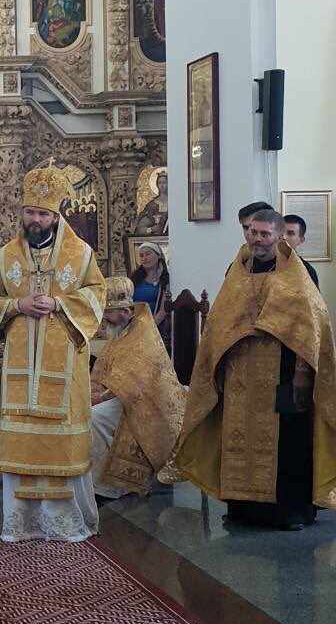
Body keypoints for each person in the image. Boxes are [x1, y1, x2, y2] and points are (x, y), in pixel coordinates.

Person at [175, 209, 336, 531]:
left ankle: (290, 512)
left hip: (286, 372)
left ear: (278, 235)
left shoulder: (298, 271)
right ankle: (242, 509)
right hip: (241, 373)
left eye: (264, 234)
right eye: (252, 232)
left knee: (289, 441)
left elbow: (309, 326)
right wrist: (220, 362)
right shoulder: (237, 270)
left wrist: (301, 372)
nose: (256, 239)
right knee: (237, 438)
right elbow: (221, 321)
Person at [0, 160, 106, 542]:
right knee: (22, 438)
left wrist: (59, 304)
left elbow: (97, 294)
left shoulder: (80, 255)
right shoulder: (6, 257)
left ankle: (64, 522)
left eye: (42, 214)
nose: (35, 220)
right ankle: (20, 522)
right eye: (30, 212)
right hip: (21, 367)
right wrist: (16, 305)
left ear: (56, 215)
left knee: (61, 440)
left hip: (64, 368)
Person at [90, 276, 184, 499]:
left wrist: (99, 398)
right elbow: (105, 368)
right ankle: (97, 478)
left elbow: (133, 379)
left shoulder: (143, 333)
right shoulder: (120, 331)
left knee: (95, 418)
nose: (104, 319)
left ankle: (113, 484)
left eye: (109, 313)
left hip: (147, 403)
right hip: (124, 397)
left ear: (126, 311)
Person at [130, 242, 169, 331]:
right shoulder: (134, 279)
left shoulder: (165, 280)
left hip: (155, 326)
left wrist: (148, 328)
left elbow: (163, 311)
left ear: (158, 255)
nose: (144, 258)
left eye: (148, 254)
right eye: (141, 256)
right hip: (134, 324)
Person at [283, 215, 320, 288]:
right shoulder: (262, 262)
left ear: (301, 240)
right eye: (280, 232)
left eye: (290, 233)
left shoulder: (307, 270)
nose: (283, 237)